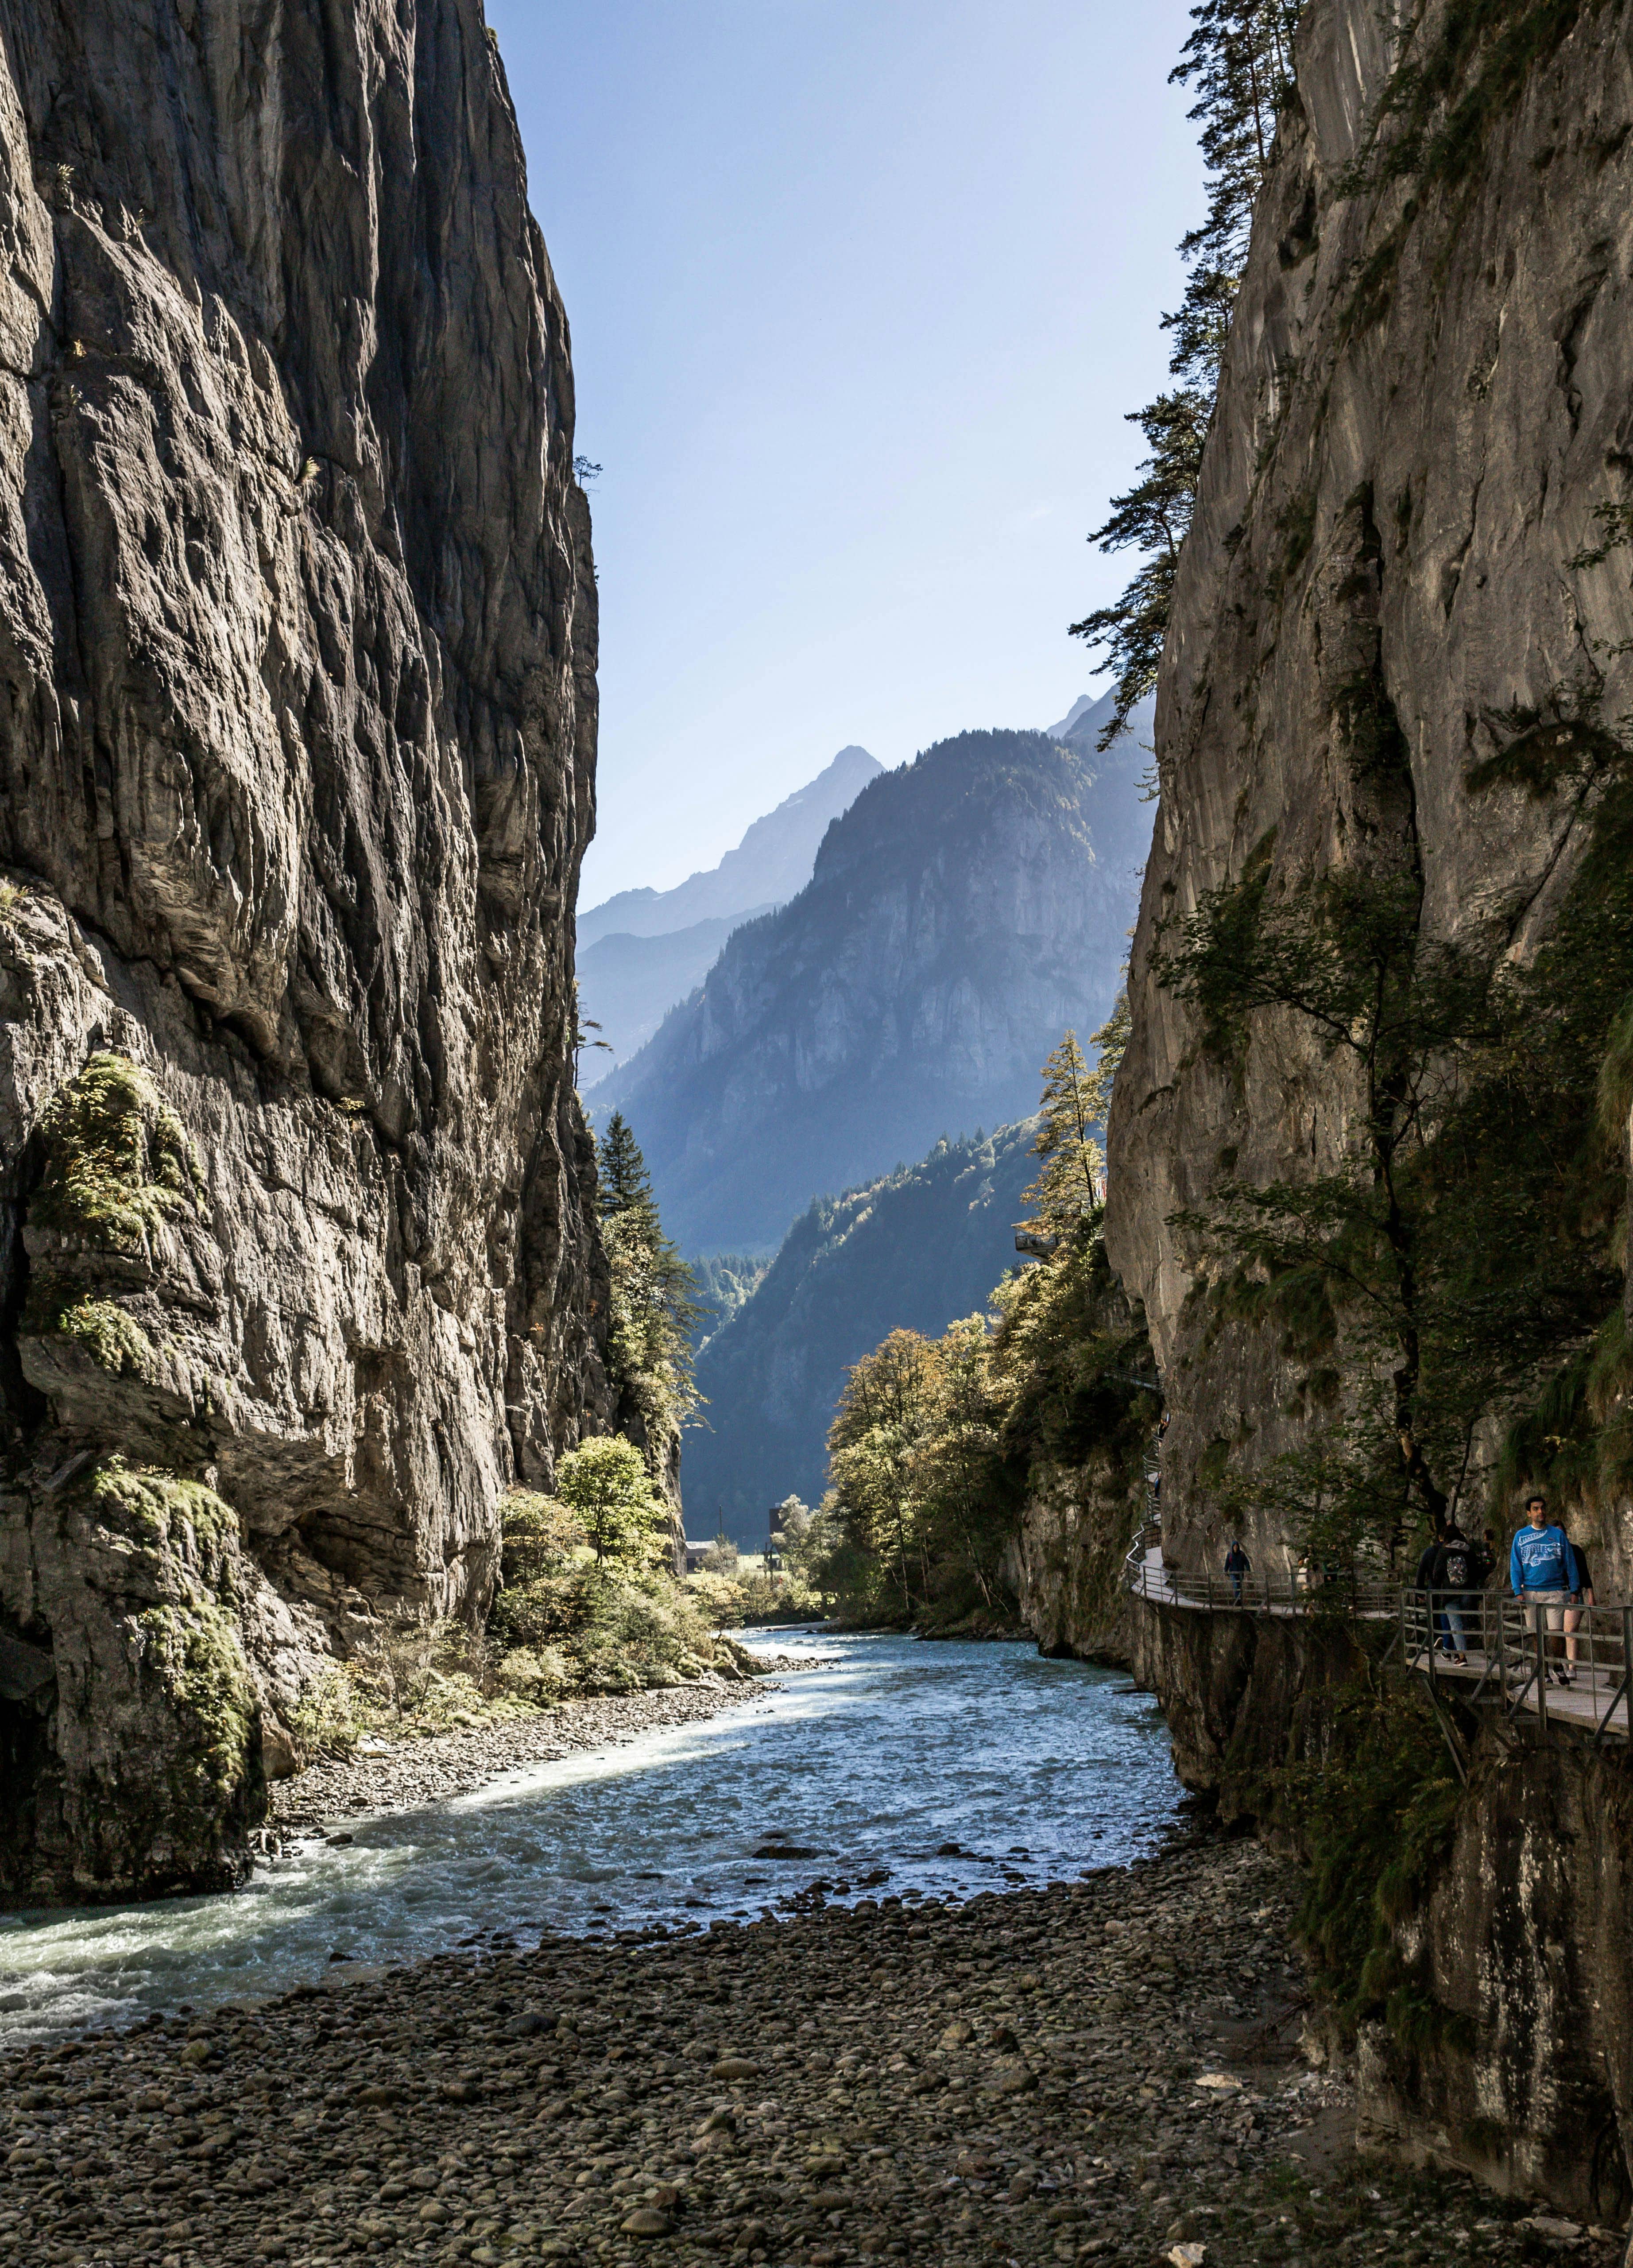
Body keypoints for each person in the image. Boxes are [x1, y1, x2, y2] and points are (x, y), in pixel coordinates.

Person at [1509, 1493, 1584, 1686]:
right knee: (1536, 1634)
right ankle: (1542, 1670)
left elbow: (1570, 1563)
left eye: (1542, 1508)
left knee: (1556, 1633)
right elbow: (1516, 1566)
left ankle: (1558, 1665)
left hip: (1555, 1591)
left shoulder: (1558, 1535)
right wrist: (1518, 1591)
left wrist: (1575, 1589)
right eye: (1536, 1509)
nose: (1540, 1512)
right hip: (1531, 1592)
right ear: (1529, 1513)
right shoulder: (1521, 1537)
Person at [1427, 1525, 1477, 1664]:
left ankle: (1461, 1657)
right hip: (1467, 1593)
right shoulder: (1468, 1550)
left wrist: (1439, 1588)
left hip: (1450, 1594)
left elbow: (1436, 1574)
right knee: (1464, 1623)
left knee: (1455, 1625)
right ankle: (1459, 1654)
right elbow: (1476, 1570)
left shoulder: (1444, 1552)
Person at [1563, 1535, 1596, 1679]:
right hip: (1556, 1594)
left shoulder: (1575, 1550)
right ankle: (1563, 1664)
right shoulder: (1551, 1553)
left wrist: (1591, 1594)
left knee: (1570, 1631)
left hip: (1575, 1593)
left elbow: (1584, 1573)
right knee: (1558, 1632)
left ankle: (1572, 1668)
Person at [1224, 1538, 1250, 1606]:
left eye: (1236, 1546)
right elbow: (1227, 1564)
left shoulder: (1242, 1554)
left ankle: (1239, 1601)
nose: (1235, 1548)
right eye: (1234, 1546)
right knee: (1236, 1586)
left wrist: (1248, 1569)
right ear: (1232, 1547)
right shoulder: (1230, 1555)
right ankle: (1237, 1601)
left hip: (1241, 1574)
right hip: (1233, 1574)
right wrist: (1226, 1571)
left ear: (1238, 1547)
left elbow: (1246, 1562)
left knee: (1240, 1587)